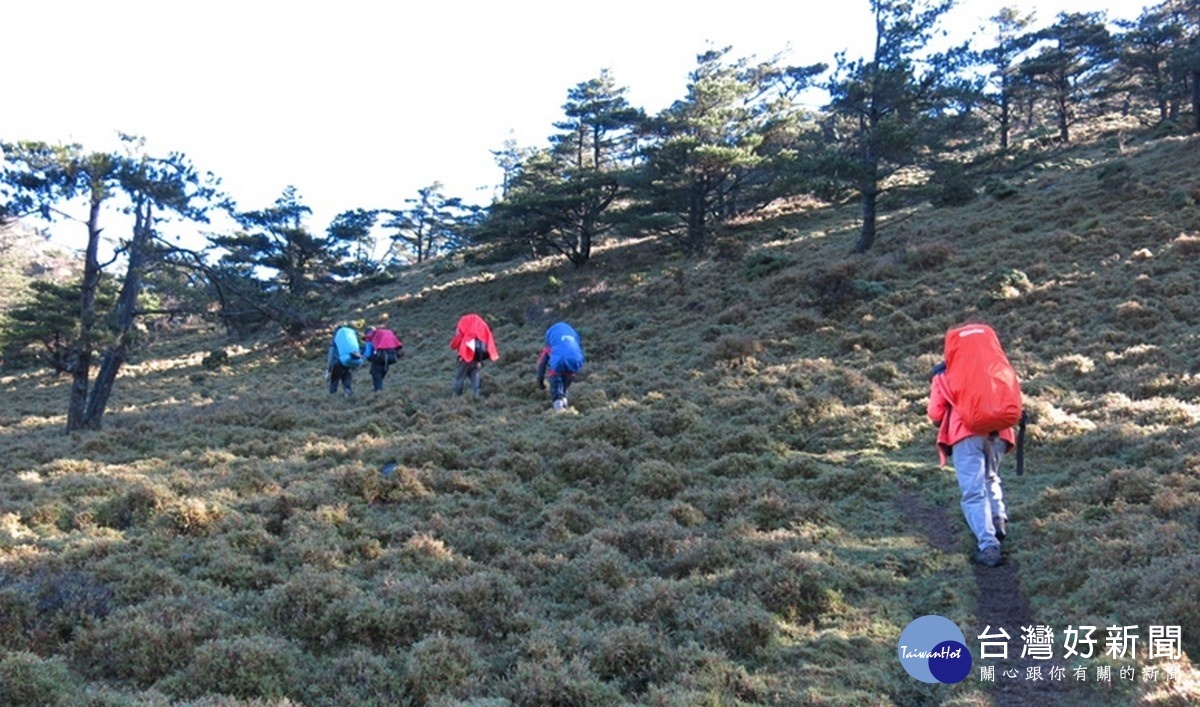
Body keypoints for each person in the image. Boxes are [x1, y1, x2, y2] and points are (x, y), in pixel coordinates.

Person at [927, 333, 1018, 569]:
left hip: (964, 434)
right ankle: (998, 519)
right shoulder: (1000, 366)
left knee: (973, 491)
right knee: (991, 477)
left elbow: (935, 413)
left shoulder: (945, 373)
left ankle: (988, 546)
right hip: (1000, 432)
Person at [536, 321, 585, 411]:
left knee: (556, 385)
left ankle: (559, 411)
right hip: (576, 360)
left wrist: (540, 382)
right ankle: (565, 404)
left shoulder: (551, 345)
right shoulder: (573, 336)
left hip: (559, 362)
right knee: (565, 386)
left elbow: (542, 363)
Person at [449, 313, 498, 397]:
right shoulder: (482, 328)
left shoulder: (464, 326)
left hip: (465, 358)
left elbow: (456, 342)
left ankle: (457, 397)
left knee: (459, 378)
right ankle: (476, 397)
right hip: (477, 358)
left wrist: (452, 345)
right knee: (475, 378)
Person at [363, 325, 403, 392]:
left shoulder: (370, 338)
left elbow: (368, 354)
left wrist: (364, 356)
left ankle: (378, 392)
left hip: (379, 359)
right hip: (390, 357)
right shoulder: (381, 335)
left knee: (376, 373)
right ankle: (379, 390)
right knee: (382, 372)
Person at [326, 324, 364, 397]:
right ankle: (348, 394)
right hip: (349, 361)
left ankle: (332, 397)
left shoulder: (335, 341)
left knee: (334, 380)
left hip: (338, 362)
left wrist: (329, 369)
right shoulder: (350, 338)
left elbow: (331, 356)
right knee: (347, 378)